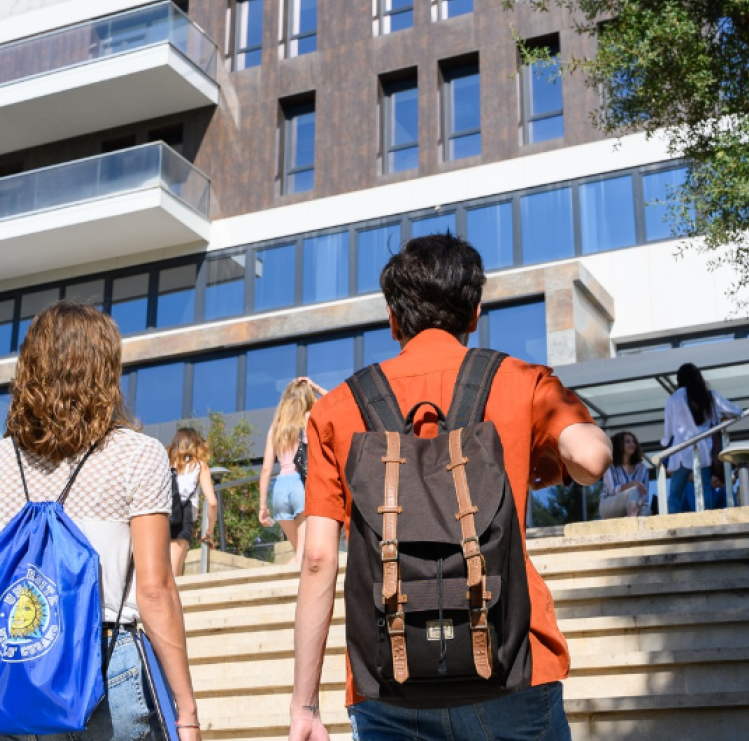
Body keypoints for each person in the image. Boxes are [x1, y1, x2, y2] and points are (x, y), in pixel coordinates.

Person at [288, 234, 611, 741]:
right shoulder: (521, 380)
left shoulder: (336, 410)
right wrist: (554, 462)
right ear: (475, 312)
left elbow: (316, 560)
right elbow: (591, 458)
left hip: (390, 681)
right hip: (512, 664)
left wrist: (304, 703)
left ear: (394, 319)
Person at [0, 301, 202, 741]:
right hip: (108, 666)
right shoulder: (137, 455)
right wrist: (186, 712)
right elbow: (155, 590)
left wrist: (13, 659)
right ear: (105, 369)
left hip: (10, 686)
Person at [258, 377, 325, 568]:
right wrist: (315, 386)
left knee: (299, 553)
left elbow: (265, 469)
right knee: (302, 556)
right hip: (300, 484)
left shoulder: (275, 428)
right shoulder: (308, 418)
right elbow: (333, 403)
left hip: (279, 489)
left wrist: (263, 505)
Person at [661, 362, 742, 513]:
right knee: (705, 490)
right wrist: (721, 417)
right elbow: (736, 411)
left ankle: (671, 522)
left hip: (681, 452)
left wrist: (665, 442)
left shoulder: (674, 398)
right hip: (703, 451)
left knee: (675, 494)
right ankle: (707, 520)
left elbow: (669, 429)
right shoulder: (709, 396)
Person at [168, 426, 218, 577]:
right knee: (173, 573)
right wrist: (209, 531)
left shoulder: (167, 464)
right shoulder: (199, 466)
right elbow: (212, 502)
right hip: (183, 516)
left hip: (162, 515)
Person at [599, 431, 651, 519]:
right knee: (634, 491)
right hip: (609, 506)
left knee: (646, 511)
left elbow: (645, 496)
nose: (632, 444)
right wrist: (632, 484)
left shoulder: (642, 469)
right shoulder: (610, 466)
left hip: (634, 506)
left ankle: (630, 518)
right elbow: (612, 490)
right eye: (627, 441)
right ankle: (631, 524)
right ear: (618, 445)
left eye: (633, 441)